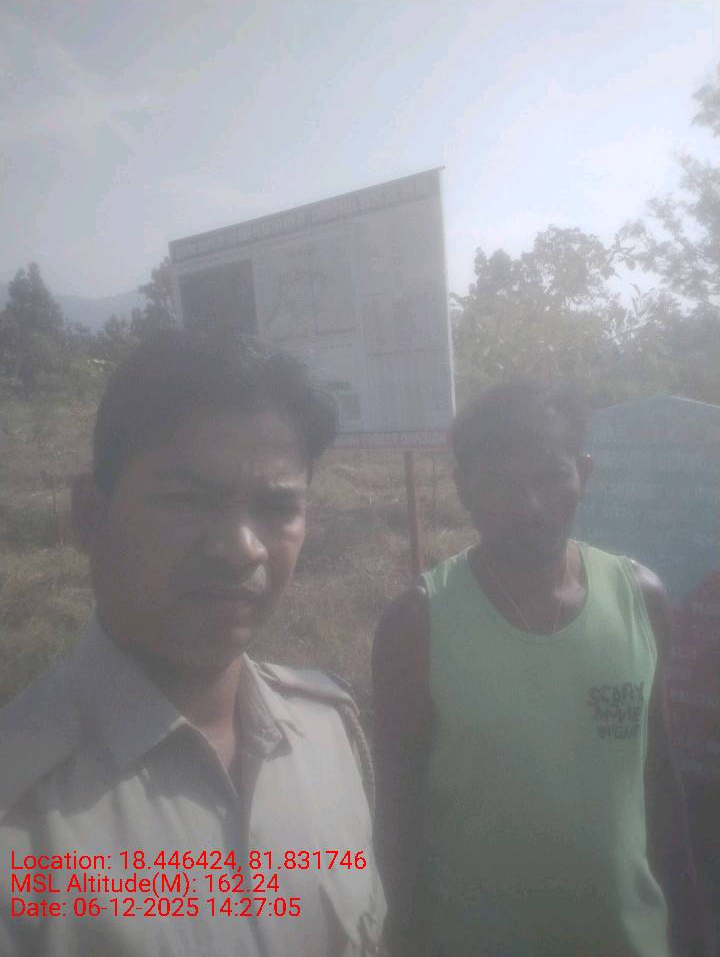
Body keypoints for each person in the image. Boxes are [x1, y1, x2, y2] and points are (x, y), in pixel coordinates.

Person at [0, 329, 385, 957]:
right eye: (188, 500)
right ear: (90, 514)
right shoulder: (21, 812)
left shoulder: (331, 735)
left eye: (276, 508)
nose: (241, 549)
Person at [373, 381, 709, 957]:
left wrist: (692, 928)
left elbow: (656, 776)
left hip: (629, 938)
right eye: (501, 483)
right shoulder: (418, 622)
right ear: (463, 489)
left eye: (551, 477)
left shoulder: (641, 599)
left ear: (584, 473)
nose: (529, 504)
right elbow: (397, 809)